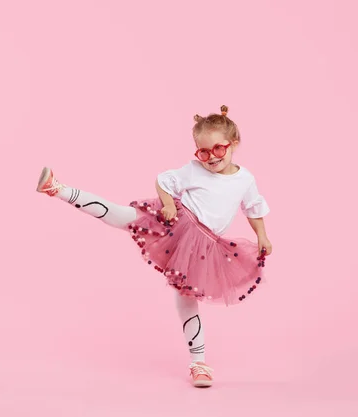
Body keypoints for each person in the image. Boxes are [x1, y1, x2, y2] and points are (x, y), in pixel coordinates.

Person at [35, 105, 272, 388]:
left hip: (203, 247)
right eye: (203, 152)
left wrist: (262, 235)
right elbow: (163, 181)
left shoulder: (245, 180)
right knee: (123, 216)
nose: (211, 158)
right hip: (177, 223)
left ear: (234, 144)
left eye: (218, 150)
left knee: (187, 300)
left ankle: (199, 363)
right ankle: (58, 189)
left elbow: (253, 208)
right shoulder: (194, 170)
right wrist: (170, 204)